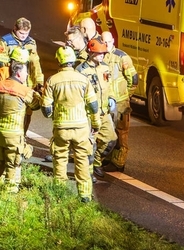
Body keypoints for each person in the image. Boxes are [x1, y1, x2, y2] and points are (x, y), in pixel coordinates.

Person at [42, 46, 101, 203]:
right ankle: (85, 195)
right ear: (73, 60)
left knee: (60, 159)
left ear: (59, 60)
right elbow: (93, 105)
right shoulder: (83, 79)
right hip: (81, 127)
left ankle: (60, 193)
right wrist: (96, 124)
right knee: (82, 160)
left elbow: (46, 109)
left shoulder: (52, 81)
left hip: (61, 127)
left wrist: (53, 114)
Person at [0, 61, 42, 194]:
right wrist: (38, 94)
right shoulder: (25, 91)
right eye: (26, 72)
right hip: (13, 134)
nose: (27, 74)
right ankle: (10, 193)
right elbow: (36, 106)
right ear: (19, 73)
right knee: (13, 163)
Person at [77, 37, 117, 180]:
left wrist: (112, 97)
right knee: (89, 145)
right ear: (91, 53)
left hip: (103, 112)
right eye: (100, 53)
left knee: (111, 139)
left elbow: (109, 85)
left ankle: (97, 162)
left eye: (104, 53)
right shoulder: (81, 70)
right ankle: (87, 173)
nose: (102, 56)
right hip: (89, 114)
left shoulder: (105, 67)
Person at [101, 30, 138, 172]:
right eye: (104, 42)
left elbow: (133, 79)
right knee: (109, 132)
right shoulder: (102, 56)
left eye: (108, 42)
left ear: (113, 42)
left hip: (120, 103)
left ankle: (119, 163)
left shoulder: (122, 57)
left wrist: (126, 96)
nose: (106, 45)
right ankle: (109, 158)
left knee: (121, 133)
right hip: (107, 101)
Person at [0, 18, 43, 89]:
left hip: (28, 82)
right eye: (21, 33)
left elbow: (35, 63)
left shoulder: (31, 42)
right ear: (15, 28)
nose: (24, 36)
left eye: (26, 33)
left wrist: (39, 81)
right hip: (11, 79)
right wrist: (15, 65)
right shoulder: (5, 41)